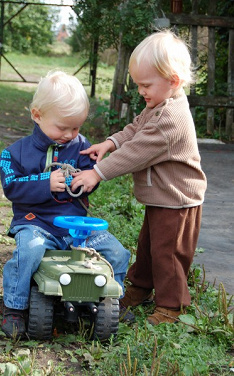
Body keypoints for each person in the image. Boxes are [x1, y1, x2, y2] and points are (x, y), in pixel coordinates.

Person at [71, 30, 207, 325]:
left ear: (173, 81)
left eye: (146, 85)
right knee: (148, 245)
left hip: (178, 200)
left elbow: (136, 151)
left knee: (168, 253)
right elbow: (134, 130)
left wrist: (97, 173)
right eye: (138, 85)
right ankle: (141, 287)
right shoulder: (158, 106)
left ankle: (172, 306)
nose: (141, 91)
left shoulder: (171, 118)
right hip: (162, 196)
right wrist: (109, 143)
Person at [0, 70, 131, 338]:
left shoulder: (81, 147)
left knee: (117, 252)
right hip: (37, 224)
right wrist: (44, 182)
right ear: (37, 115)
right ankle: (14, 306)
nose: (70, 134)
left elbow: (90, 177)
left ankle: (113, 301)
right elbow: (11, 187)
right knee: (30, 251)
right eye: (63, 127)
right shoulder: (14, 153)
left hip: (77, 228)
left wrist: (89, 180)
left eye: (77, 127)